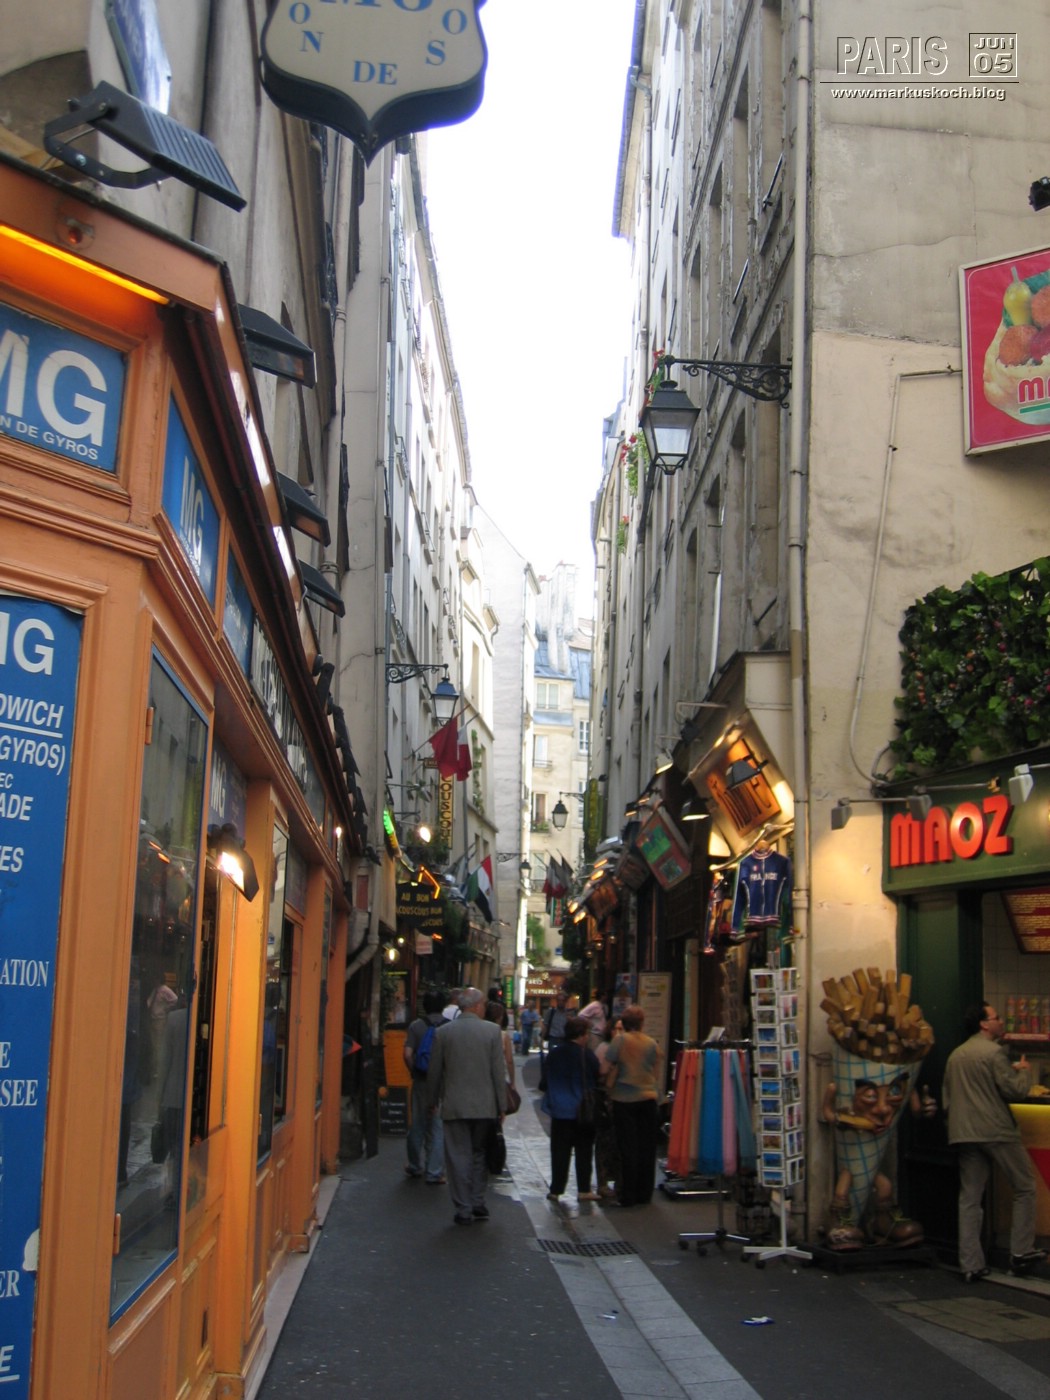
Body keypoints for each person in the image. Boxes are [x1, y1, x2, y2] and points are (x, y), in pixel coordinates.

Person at [943, 1001, 1047, 1281]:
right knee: (1025, 1186)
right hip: (996, 1130)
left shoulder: (956, 1056)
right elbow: (1015, 1091)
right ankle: (1021, 1252)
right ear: (984, 1024)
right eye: (996, 1017)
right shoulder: (994, 1053)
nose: (1001, 1021)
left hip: (964, 1133)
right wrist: (1023, 1070)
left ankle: (971, 1265)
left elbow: (948, 1099)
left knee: (970, 1198)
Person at [427, 987, 508, 1225]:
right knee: (479, 1153)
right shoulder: (492, 1031)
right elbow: (498, 1071)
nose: (484, 1008)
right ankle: (477, 1200)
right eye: (483, 1004)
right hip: (485, 1105)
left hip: (454, 1104)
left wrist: (432, 1100)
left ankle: (463, 1208)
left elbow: (435, 1071)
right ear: (476, 1006)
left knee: (457, 1156)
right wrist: (501, 1105)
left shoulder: (443, 1033)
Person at [604, 1004, 663, 1207]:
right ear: (642, 1022)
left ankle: (628, 1194)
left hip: (624, 1099)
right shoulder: (651, 1043)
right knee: (647, 1147)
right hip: (648, 1097)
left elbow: (606, 1065)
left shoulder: (620, 1040)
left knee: (627, 1147)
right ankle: (644, 1193)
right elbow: (656, 1072)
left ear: (625, 1022)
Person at [541, 1016, 602, 1203]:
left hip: (559, 1110)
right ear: (582, 1035)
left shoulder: (554, 1054)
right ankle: (584, 1189)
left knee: (559, 1151)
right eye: (587, 1033)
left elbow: (544, 1081)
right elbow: (597, 1077)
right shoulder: (587, 1055)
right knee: (584, 1150)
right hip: (582, 1110)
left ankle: (556, 1189)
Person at [403, 991, 446, 1184]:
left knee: (417, 1123)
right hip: (443, 1083)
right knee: (437, 1126)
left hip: (421, 1080)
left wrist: (414, 1071)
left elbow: (407, 1054)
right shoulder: (449, 1027)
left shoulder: (416, 1026)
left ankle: (414, 1165)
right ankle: (434, 1171)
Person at [578, 1001, 619, 1199]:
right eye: (616, 1029)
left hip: (619, 1100)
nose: (619, 1033)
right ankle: (603, 1182)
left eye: (622, 1029)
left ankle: (616, 1180)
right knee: (604, 1142)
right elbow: (599, 1073)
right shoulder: (604, 1048)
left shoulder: (621, 1047)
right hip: (605, 1100)